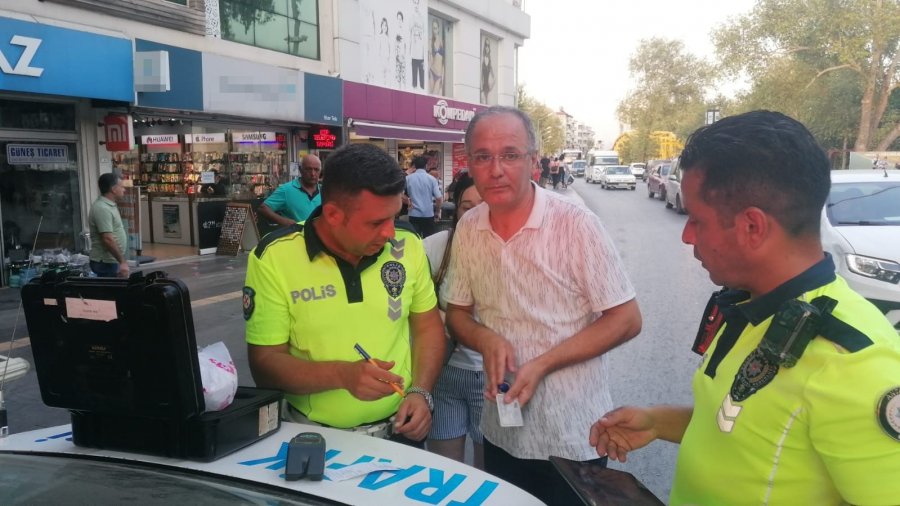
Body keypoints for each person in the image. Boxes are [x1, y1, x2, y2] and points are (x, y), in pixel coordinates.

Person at [589, 111, 900, 505]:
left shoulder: (852, 364)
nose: (686, 236)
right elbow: (746, 429)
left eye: (697, 220)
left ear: (752, 227)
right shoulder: (753, 306)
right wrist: (656, 421)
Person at [443, 106, 642, 504]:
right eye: (483, 157)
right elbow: (457, 314)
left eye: (510, 155)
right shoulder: (469, 227)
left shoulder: (576, 224)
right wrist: (485, 339)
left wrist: (542, 363)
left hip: (573, 434)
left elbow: (626, 319)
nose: (496, 169)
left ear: (534, 161)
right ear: (470, 164)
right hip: (502, 427)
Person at [244, 143, 445, 446]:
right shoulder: (274, 256)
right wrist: (341, 375)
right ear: (334, 214)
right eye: (376, 223)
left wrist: (420, 392)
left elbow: (428, 326)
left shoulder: (409, 245)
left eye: (394, 216)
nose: (390, 233)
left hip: (400, 433)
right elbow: (265, 363)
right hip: (314, 438)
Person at [423, 172, 486, 468]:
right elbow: (407, 296)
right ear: (456, 209)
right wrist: (436, 314)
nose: (473, 214)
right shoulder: (437, 246)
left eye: (483, 205)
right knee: (445, 473)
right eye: (466, 206)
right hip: (445, 375)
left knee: (493, 477)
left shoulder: (513, 249)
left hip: (495, 380)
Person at [257, 154, 322, 226]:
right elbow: (263, 208)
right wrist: (282, 220)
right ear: (300, 170)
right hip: (295, 236)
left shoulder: (325, 192)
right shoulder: (286, 190)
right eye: (308, 169)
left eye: (316, 170)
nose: (313, 174)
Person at [88, 172, 129, 278]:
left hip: (111, 260)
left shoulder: (109, 205)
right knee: (110, 293)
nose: (124, 190)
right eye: (122, 187)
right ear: (114, 189)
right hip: (105, 263)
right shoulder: (102, 208)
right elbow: (107, 239)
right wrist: (122, 262)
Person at [406, 155, 442, 238]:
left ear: (415, 166)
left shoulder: (408, 178)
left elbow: (400, 194)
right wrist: (437, 211)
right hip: (428, 214)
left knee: (415, 239)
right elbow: (439, 198)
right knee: (429, 241)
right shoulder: (432, 179)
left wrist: (408, 200)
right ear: (426, 166)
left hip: (413, 214)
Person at [409, 0, 425, 90]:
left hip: (421, 54)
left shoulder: (422, 18)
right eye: (414, 3)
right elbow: (409, 37)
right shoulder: (411, 18)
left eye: (417, 3)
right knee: (414, 79)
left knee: (422, 81)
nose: (416, 5)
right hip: (414, 53)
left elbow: (424, 37)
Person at [429, 19, 445, 95]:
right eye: (433, 29)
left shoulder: (442, 42)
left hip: (439, 75)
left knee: (435, 96)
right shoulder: (431, 41)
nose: (434, 31)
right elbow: (430, 59)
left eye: (435, 28)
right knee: (430, 97)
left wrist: (442, 77)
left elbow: (443, 63)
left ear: (438, 29)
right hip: (432, 71)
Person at [480, 39, 495, 104]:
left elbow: (494, 77)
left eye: (488, 46)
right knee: (483, 100)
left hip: (487, 86)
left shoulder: (490, 61)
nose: (487, 48)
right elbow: (480, 74)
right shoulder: (482, 59)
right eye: (486, 45)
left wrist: (491, 85)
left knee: (486, 102)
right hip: (482, 85)